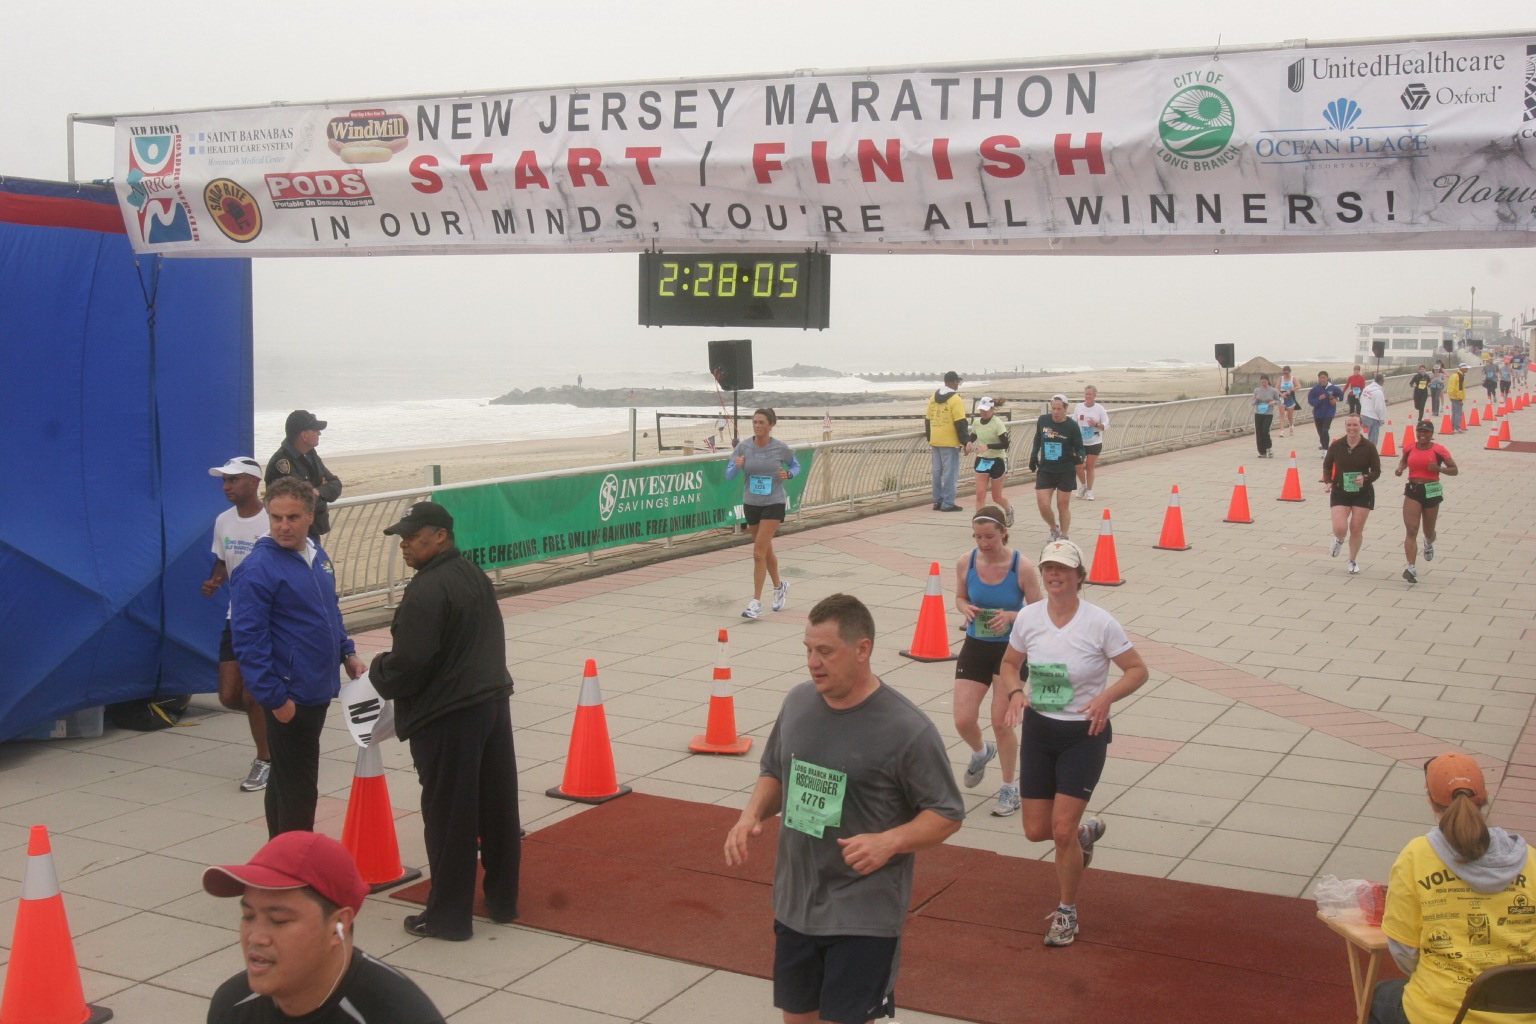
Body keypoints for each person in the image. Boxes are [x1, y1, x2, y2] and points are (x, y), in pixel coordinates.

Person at [724, 594, 964, 1024]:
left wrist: (891, 841)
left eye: (825, 651)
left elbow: (947, 812)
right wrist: (751, 814)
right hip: (796, 904)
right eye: (808, 650)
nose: (813, 662)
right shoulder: (798, 702)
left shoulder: (907, 729)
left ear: (862, 649)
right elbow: (773, 771)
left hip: (863, 914)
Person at [368, 502, 520, 942]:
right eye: (402, 537)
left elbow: (410, 663)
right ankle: (503, 900)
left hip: (449, 715)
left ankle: (449, 918)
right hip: (491, 703)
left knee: (451, 819)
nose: (404, 545)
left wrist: (378, 670)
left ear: (440, 536)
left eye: (412, 537)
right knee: (497, 809)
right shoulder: (473, 575)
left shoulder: (428, 589)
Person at [999, 540, 1149, 947]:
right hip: (1039, 730)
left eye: (1063, 569)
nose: (1054, 575)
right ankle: (1082, 836)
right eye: (1048, 568)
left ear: (1079, 577)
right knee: (1036, 830)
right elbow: (1010, 665)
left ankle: (1067, 912)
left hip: (1084, 734)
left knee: (1059, 830)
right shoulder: (1029, 618)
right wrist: (1015, 692)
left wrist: (1106, 697)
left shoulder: (1099, 622)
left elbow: (1137, 670)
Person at [230, 476, 366, 838]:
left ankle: (281, 855)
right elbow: (248, 641)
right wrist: (275, 698)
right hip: (291, 694)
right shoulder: (258, 569)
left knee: (288, 780)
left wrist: (346, 651)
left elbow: (328, 610)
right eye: (276, 518)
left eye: (292, 518)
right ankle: (296, 865)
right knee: (299, 786)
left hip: (318, 685)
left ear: (309, 516)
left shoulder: (316, 554)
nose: (283, 526)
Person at [204, 830, 446, 1024]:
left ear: (338, 924)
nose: (256, 937)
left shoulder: (400, 1015)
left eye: (279, 920)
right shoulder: (233, 1005)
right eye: (248, 916)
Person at [1369, 753, 1534, 1024]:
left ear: (1431, 803)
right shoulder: (1531, 859)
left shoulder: (1416, 855)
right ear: (1484, 797)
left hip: (1441, 1013)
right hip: (1524, 1014)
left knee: (1379, 996)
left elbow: (1404, 952)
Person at [953, 507, 1043, 817]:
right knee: (963, 719)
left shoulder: (1023, 567)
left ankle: (1009, 788)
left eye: (989, 536)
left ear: (1004, 532)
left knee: (1001, 722)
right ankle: (981, 752)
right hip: (976, 645)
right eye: (978, 536)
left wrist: (1011, 616)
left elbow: (1040, 612)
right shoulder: (966, 562)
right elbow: (960, 596)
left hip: (1011, 652)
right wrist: (965, 608)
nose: (983, 543)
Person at [203, 457, 272, 793]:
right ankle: (281, 716)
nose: (226, 487)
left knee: (253, 694)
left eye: (233, 480)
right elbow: (222, 559)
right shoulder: (223, 520)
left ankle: (266, 760)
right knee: (231, 695)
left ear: (254, 482)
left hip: (270, 620)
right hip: (237, 616)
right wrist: (215, 581)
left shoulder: (273, 519)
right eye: (224, 481)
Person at [726, 408, 802, 619]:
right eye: (755, 422)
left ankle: (755, 602)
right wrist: (736, 465)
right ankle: (780, 586)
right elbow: (729, 474)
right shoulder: (744, 447)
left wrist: (789, 474)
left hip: (773, 503)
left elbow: (796, 466)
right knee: (766, 550)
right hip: (751, 503)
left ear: (771, 425)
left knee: (758, 552)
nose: (757, 426)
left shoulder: (780, 448)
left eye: (761, 422)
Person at [1394, 420, 1458, 585]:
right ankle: (1411, 567)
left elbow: (1454, 470)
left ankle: (1428, 542)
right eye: (1419, 431)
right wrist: (1400, 469)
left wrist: (1439, 469)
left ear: (1431, 434)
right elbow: (1404, 460)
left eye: (1426, 432)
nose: (1422, 435)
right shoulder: (1410, 448)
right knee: (1411, 529)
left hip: (1431, 490)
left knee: (1428, 531)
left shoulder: (1439, 450)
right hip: (1413, 489)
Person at [265, 410, 343, 537]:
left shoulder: (311, 455)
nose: (319, 433)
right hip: (290, 533)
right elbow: (300, 498)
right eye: (315, 429)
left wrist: (317, 491)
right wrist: (319, 489)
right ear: (304, 435)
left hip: (311, 530)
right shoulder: (282, 462)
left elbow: (336, 484)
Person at [1322, 415, 1382, 576]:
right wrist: (1328, 481)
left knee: (1356, 528)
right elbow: (1327, 465)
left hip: (1362, 492)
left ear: (1361, 426)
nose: (1352, 428)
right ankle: (1339, 540)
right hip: (1341, 491)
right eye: (1349, 425)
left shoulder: (1368, 447)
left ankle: (1352, 560)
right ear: (1345, 426)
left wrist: (1365, 478)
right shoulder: (1336, 446)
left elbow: (1376, 471)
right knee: (1340, 528)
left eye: (1355, 425)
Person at [1028, 394, 1084, 543]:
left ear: (1065, 409)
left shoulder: (1072, 426)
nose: (1056, 412)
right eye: (1053, 408)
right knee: (1043, 504)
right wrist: (1033, 457)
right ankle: (1054, 528)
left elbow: (1080, 448)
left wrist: (1080, 457)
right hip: (1046, 469)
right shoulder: (1043, 420)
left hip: (1065, 470)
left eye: (1059, 409)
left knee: (1062, 505)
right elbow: (1037, 439)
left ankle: (1064, 535)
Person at [925, 371, 970, 512]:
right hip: (950, 441)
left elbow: (928, 420)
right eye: (957, 382)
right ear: (953, 382)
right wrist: (965, 441)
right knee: (950, 473)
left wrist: (930, 438)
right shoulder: (955, 399)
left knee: (937, 472)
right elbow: (960, 422)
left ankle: (937, 501)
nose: (958, 385)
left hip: (936, 439)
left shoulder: (933, 397)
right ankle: (948, 503)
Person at [969, 397, 1013, 523]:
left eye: (987, 410)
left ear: (993, 409)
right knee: (980, 495)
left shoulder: (997, 423)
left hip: (997, 460)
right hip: (982, 460)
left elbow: (1005, 444)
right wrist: (969, 442)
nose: (984, 412)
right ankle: (979, 523)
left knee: (996, 497)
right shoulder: (977, 422)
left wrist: (988, 446)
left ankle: (1009, 510)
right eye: (982, 410)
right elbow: (973, 435)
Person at [1072, 386, 1109, 500]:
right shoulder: (1079, 407)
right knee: (1078, 466)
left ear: (1094, 396)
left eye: (1090, 394)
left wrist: (1096, 425)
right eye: (1086, 394)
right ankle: (1083, 485)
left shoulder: (1099, 409)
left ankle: (1090, 491)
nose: (1088, 396)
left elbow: (1106, 424)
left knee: (1089, 467)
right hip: (1080, 442)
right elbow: (1073, 422)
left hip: (1095, 442)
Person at [1306, 371, 1344, 453]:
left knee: (1325, 430)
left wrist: (1336, 399)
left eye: (1324, 378)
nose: (1322, 380)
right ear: (1318, 379)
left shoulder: (1333, 388)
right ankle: (1323, 446)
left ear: (1327, 378)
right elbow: (1310, 401)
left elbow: (1341, 395)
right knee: (1320, 432)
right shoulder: (1315, 389)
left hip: (1329, 412)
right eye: (1320, 378)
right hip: (1318, 414)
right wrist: (1319, 399)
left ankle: (1326, 450)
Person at [1252, 374, 1280, 458]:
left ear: (1268, 381)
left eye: (1265, 381)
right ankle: (1262, 451)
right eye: (1262, 382)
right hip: (1258, 413)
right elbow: (1252, 403)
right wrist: (1257, 398)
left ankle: (1268, 448)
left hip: (1268, 413)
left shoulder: (1273, 391)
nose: (1264, 383)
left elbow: (1279, 401)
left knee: (1265, 430)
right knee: (1259, 432)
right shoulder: (1257, 390)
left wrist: (1274, 402)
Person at [1360, 373, 1388, 446]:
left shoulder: (1366, 389)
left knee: (1365, 437)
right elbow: (1379, 407)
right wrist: (1381, 419)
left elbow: (1361, 400)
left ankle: (1364, 452)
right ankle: (1371, 454)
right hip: (1373, 418)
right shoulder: (1378, 392)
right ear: (1381, 381)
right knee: (1373, 439)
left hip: (1364, 415)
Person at [1277, 366, 1298, 436]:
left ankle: (1291, 425)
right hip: (1282, 396)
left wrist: (1291, 389)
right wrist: (1281, 394)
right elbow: (1276, 388)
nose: (1285, 374)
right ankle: (1282, 430)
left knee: (1290, 415)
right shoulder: (1280, 379)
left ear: (1289, 372)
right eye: (1284, 373)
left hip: (1290, 396)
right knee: (1282, 414)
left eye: (1287, 373)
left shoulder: (1293, 378)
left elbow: (1299, 386)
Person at [1447, 363, 1468, 433]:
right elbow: (1459, 388)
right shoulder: (1460, 376)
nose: (1467, 369)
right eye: (1466, 368)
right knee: (1458, 412)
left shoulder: (1454, 375)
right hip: (1457, 397)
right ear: (1462, 368)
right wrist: (1460, 399)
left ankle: (1452, 426)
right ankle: (1457, 427)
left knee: (1454, 412)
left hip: (1452, 396)